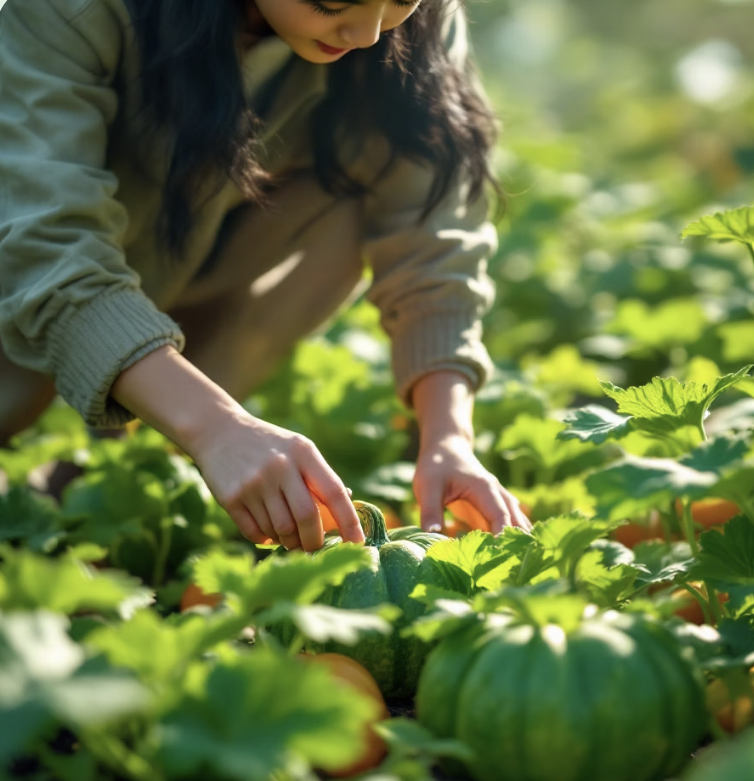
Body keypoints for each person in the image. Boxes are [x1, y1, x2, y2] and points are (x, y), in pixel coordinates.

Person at [0, 0, 531, 552]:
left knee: (373, 178)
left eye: (401, 1)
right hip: (17, 272)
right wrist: (215, 427)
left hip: (176, 266)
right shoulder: (70, 10)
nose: (370, 33)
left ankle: (114, 478)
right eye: (332, 1)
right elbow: (41, 246)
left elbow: (433, 227)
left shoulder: (411, 21)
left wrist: (448, 434)